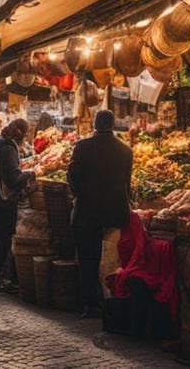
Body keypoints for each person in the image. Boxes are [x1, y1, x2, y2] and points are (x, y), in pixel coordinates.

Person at [68, 109, 132, 318]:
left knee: (87, 259)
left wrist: (79, 194)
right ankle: (112, 301)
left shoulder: (82, 147)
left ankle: (88, 303)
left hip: (87, 212)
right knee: (114, 260)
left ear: (94, 125)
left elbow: (73, 175)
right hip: (115, 214)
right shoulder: (125, 150)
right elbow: (127, 183)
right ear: (113, 125)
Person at [0, 118, 35, 293]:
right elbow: (13, 179)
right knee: (3, 236)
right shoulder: (8, 149)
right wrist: (30, 174)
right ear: (20, 133)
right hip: (2, 200)